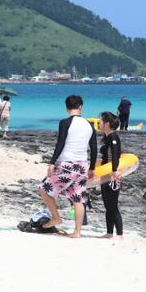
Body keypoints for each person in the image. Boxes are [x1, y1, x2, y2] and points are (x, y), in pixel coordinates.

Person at [38, 95, 97, 238]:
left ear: (66, 108)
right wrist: (92, 168)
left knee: (44, 189)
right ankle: (77, 232)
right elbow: (94, 147)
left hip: (67, 165)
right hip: (82, 165)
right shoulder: (89, 125)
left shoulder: (65, 122)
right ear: (80, 107)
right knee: (78, 198)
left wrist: (52, 162)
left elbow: (61, 143)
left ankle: (56, 218)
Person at [98, 112, 124, 240]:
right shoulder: (107, 137)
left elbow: (115, 155)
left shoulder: (114, 137)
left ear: (107, 124)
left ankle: (119, 235)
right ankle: (109, 233)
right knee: (107, 205)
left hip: (112, 176)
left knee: (113, 205)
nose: (99, 123)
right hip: (104, 175)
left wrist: (114, 171)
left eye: (101, 121)